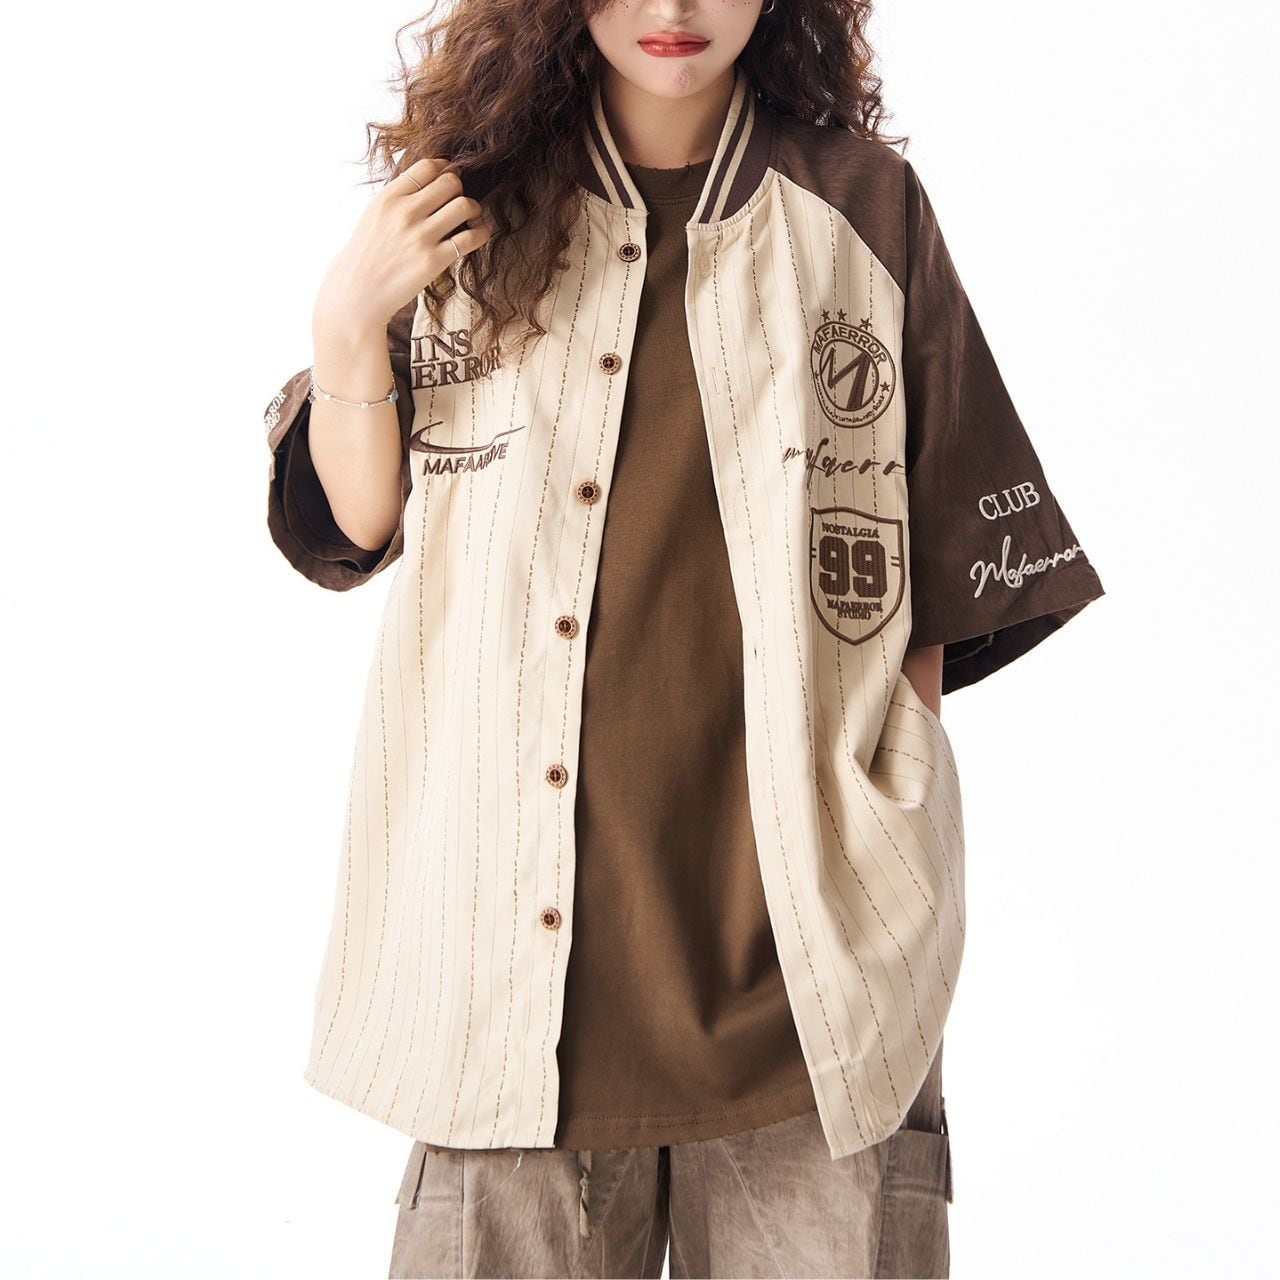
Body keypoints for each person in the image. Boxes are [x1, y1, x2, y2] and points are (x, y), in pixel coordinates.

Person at [262, 2, 1106, 1276]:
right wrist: (342, 329)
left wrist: (881, 825)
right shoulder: (465, 209)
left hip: (805, 987)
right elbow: (356, 518)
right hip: (504, 975)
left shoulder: (860, 207)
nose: (672, 9)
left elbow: (939, 565)